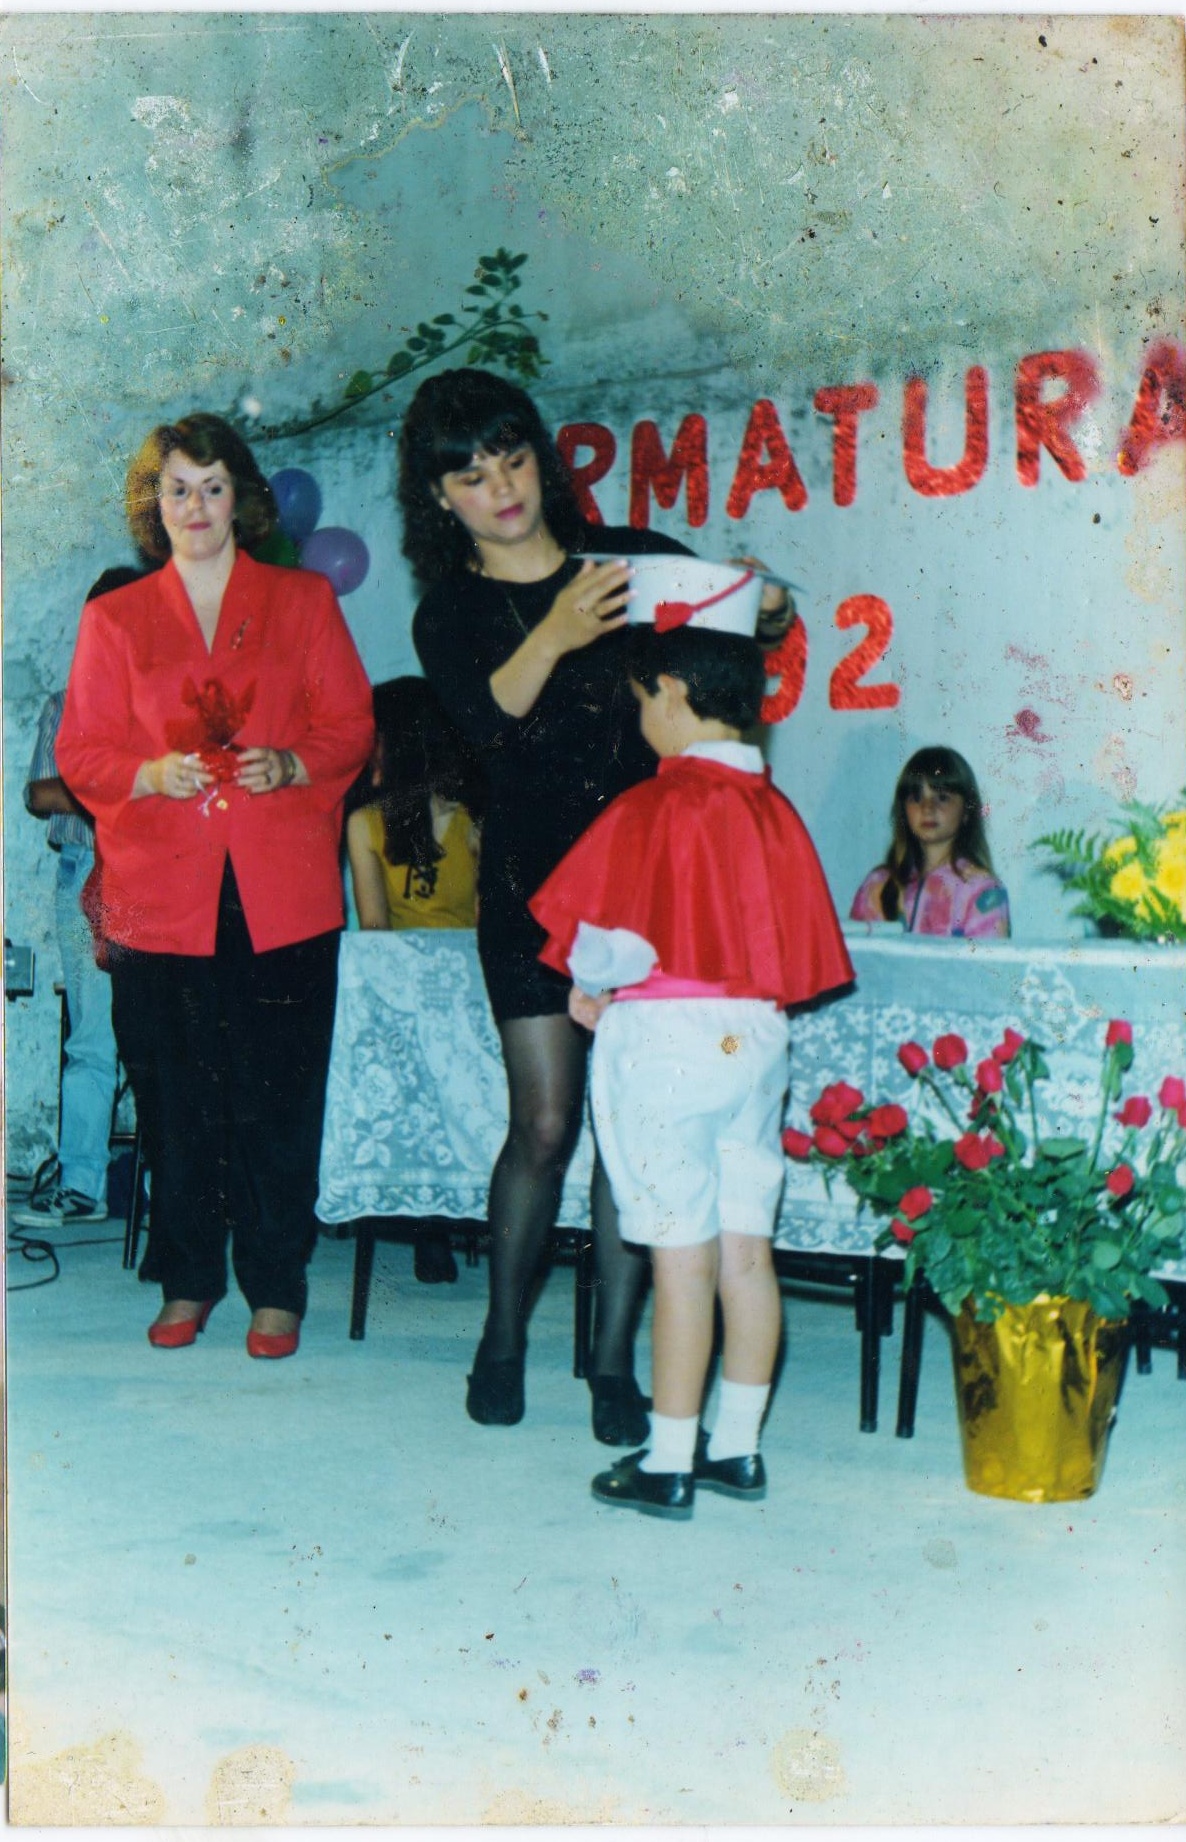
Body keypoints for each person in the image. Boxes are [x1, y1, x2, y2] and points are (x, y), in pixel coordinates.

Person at [403, 366, 793, 1441]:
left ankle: (615, 1364)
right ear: (439, 498)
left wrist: (766, 603)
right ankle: (501, 1340)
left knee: (640, 1129)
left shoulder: (634, 560)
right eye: (471, 476)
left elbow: (740, 636)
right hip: (529, 892)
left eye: (512, 459)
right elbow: (485, 728)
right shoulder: (451, 611)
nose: (501, 488)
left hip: (652, 887)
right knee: (543, 1124)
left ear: (541, 458)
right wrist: (557, 632)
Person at [57, 412, 374, 1358]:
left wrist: (295, 762)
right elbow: (82, 750)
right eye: (176, 489)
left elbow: (351, 725)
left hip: (281, 889)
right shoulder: (115, 618)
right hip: (160, 895)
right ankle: (187, 1278)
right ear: (153, 504)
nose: (195, 506)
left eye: (212, 486)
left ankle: (277, 1287)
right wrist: (149, 774)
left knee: (278, 1095)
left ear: (242, 497)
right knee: (175, 1100)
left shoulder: (302, 600)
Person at [530, 612, 854, 1517]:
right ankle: (737, 1447)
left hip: (666, 1049)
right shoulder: (771, 808)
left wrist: (591, 986)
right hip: (757, 1040)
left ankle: (668, 1459)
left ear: (671, 693)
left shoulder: (658, 804)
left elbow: (610, 942)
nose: (642, 720)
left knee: (679, 1253)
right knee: (745, 1249)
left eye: (642, 701)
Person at [10, 570, 142, 1230]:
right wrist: (118, 788)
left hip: (150, 875)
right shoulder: (66, 702)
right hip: (83, 870)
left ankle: (166, 1189)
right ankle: (83, 1185)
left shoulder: (161, 705)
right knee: (91, 1034)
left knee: (158, 1031)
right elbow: (40, 792)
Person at [346, 674, 485, 1283]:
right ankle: (442, 1218)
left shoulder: (372, 823)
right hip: (441, 993)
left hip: (434, 994)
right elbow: (476, 925)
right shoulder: (463, 820)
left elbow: (378, 929)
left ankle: (431, 1220)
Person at [849, 745, 1011, 938]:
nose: (927, 808)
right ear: (903, 810)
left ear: (967, 811)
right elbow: (851, 951)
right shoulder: (877, 885)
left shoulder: (981, 889)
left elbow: (985, 956)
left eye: (942, 797)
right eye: (916, 797)